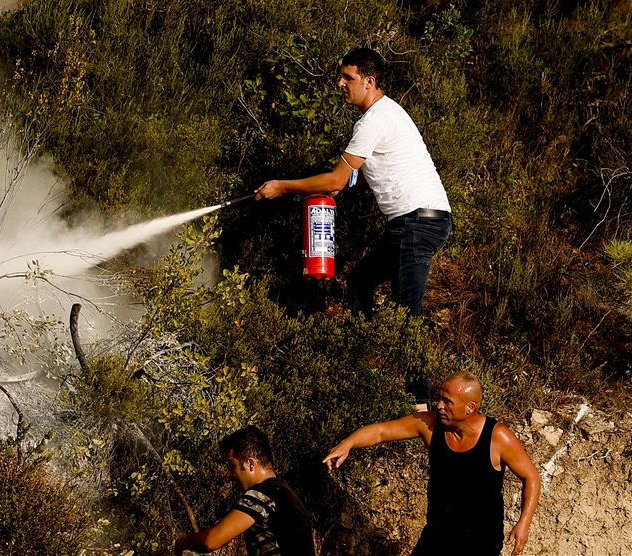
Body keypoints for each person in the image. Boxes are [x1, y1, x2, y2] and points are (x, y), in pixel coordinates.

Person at [255, 47, 452, 408]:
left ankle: (420, 405)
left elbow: (334, 179)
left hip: (417, 223)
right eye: (341, 76)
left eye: (348, 78)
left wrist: (281, 186)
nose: (340, 84)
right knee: (360, 282)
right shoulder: (384, 116)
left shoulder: (374, 120)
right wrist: (332, 185)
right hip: (411, 224)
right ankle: (359, 369)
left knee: (408, 311)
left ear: (369, 81)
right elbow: (352, 181)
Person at [322, 371, 540, 556]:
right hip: (437, 534)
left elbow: (531, 476)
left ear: (470, 407)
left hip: (480, 542)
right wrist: (348, 443)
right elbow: (381, 432)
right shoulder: (430, 426)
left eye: (448, 402)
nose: (439, 406)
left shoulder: (497, 437)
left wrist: (524, 523)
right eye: (440, 398)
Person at [174, 426, 316, 556]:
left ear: (250, 464)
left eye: (231, 465)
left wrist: (183, 544)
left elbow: (210, 541)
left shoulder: (264, 493)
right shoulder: (285, 493)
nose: (229, 474)